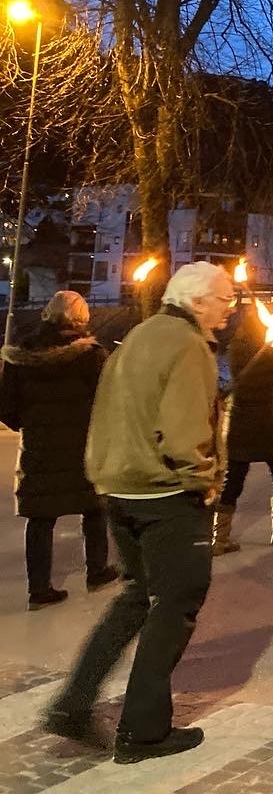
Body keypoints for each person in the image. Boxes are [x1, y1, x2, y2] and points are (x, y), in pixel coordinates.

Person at [44, 263, 233, 763]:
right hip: (166, 495)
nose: (229, 308)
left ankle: (74, 702)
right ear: (197, 301)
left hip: (120, 490)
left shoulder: (140, 336)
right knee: (175, 605)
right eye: (224, 299)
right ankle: (144, 732)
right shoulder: (188, 346)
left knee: (136, 597)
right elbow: (184, 433)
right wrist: (203, 482)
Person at [0, 291, 117, 609]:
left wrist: (33, 426)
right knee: (94, 508)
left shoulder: (21, 354)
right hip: (83, 445)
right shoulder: (90, 355)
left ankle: (39, 590)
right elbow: (106, 401)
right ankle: (97, 572)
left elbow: (7, 408)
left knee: (40, 517)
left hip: (39, 448)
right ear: (80, 319)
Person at [212, 304, 273, 554]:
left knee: (233, 480)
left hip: (240, 423)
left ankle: (220, 538)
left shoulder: (237, 349)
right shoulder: (266, 356)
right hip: (268, 424)